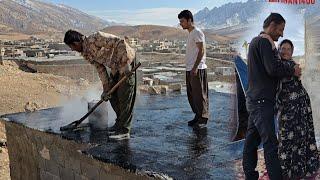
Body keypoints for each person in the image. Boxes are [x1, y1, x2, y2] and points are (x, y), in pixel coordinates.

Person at [242, 13, 301, 180]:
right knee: (270, 144)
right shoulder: (263, 42)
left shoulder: (258, 41)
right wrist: (292, 70)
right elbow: (272, 69)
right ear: (273, 25)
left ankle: (250, 176)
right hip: (261, 102)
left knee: (252, 141)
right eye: (281, 29)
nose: (281, 34)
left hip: (256, 100)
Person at [64, 30, 137, 140]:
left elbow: (119, 42)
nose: (72, 49)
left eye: (71, 47)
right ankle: (119, 123)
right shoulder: (86, 54)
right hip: (115, 68)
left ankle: (124, 130)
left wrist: (126, 63)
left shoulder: (96, 38)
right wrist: (106, 88)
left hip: (127, 62)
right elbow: (100, 69)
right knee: (111, 95)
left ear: (76, 43)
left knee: (124, 96)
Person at [276, 39, 319, 179]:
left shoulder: (292, 65)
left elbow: (297, 75)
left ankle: (300, 169)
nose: (285, 51)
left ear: (292, 51)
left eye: (288, 49)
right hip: (287, 109)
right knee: (286, 138)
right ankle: (286, 171)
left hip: (300, 106)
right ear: (279, 49)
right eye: (283, 48)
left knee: (301, 136)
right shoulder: (278, 66)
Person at [178, 10, 209, 127]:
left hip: (197, 69)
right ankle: (197, 116)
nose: (181, 23)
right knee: (192, 95)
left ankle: (203, 119)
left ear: (189, 20)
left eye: (182, 21)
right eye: (180, 21)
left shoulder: (197, 32)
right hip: (190, 68)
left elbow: (201, 51)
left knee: (199, 94)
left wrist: (195, 68)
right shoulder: (191, 33)